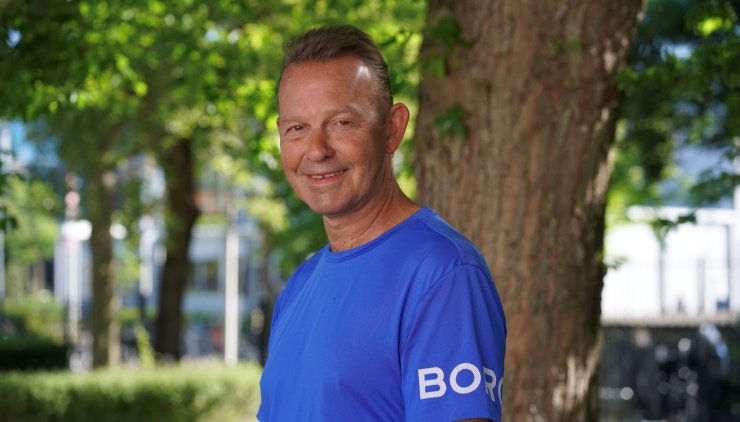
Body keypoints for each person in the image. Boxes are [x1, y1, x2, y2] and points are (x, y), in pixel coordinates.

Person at [257, 25, 507, 422]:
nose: (317, 150)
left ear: (392, 129)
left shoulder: (443, 274)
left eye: (341, 122)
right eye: (297, 128)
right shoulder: (299, 287)